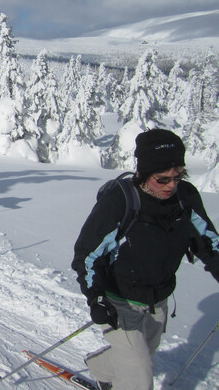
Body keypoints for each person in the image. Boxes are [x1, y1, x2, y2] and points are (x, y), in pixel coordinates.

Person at [72, 129, 219, 390]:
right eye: (162, 179)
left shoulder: (186, 198)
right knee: (139, 376)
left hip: (158, 299)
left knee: (144, 356)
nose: (172, 185)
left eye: (178, 176)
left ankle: (100, 369)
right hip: (118, 301)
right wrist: (96, 298)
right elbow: (87, 255)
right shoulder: (120, 201)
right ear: (143, 173)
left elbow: (208, 242)